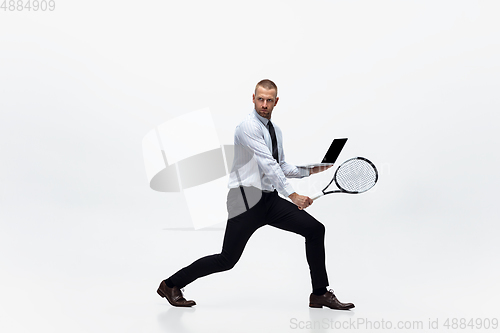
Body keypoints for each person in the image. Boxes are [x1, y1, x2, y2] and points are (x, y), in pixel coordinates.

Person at [157, 79, 354, 310]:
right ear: (253, 98)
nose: (264, 104)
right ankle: (171, 284)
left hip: (269, 200)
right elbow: (268, 165)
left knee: (315, 229)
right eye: (260, 99)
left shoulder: (275, 131)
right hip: (245, 200)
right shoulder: (247, 127)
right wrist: (293, 196)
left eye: (269, 100)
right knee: (227, 260)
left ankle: (319, 293)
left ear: (276, 102)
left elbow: (280, 166)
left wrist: (313, 169)